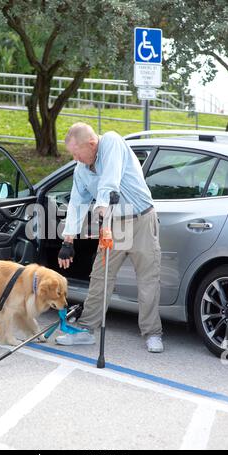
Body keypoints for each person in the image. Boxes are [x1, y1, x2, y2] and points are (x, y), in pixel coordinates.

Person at [56, 122, 163, 353]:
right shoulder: (81, 169)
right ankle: (86, 330)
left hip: (141, 218)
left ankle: (152, 332)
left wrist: (103, 207)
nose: (75, 158)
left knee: (147, 280)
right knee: (100, 276)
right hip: (115, 223)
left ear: (91, 144)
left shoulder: (112, 141)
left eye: (76, 153)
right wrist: (68, 240)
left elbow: (110, 180)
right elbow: (77, 202)